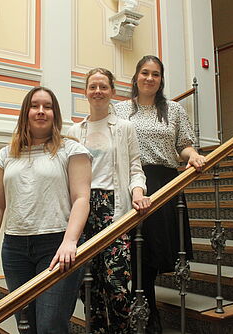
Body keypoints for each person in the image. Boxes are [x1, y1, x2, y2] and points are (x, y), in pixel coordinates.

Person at [0, 86, 92, 334]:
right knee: (26, 325)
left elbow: (81, 198)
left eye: (47, 106)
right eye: (35, 106)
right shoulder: (6, 155)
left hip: (56, 246)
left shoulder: (72, 150)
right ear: (25, 112)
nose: (41, 111)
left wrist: (70, 241)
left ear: (55, 114)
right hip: (15, 249)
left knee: (50, 326)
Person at [114, 55, 207, 334]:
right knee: (133, 246)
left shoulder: (175, 110)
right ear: (136, 77)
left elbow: (184, 146)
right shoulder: (119, 110)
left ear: (161, 80)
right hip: (130, 181)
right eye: (145, 72)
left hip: (164, 183)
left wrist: (194, 156)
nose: (150, 78)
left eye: (155, 74)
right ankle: (144, 307)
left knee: (152, 249)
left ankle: (145, 306)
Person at [67, 68, 151, 334]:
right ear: (85, 92)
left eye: (103, 87)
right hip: (82, 206)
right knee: (87, 282)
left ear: (112, 91)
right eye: (93, 87)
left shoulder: (124, 128)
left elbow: (135, 167)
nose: (98, 92)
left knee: (115, 282)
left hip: (113, 208)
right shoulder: (74, 130)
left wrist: (138, 191)